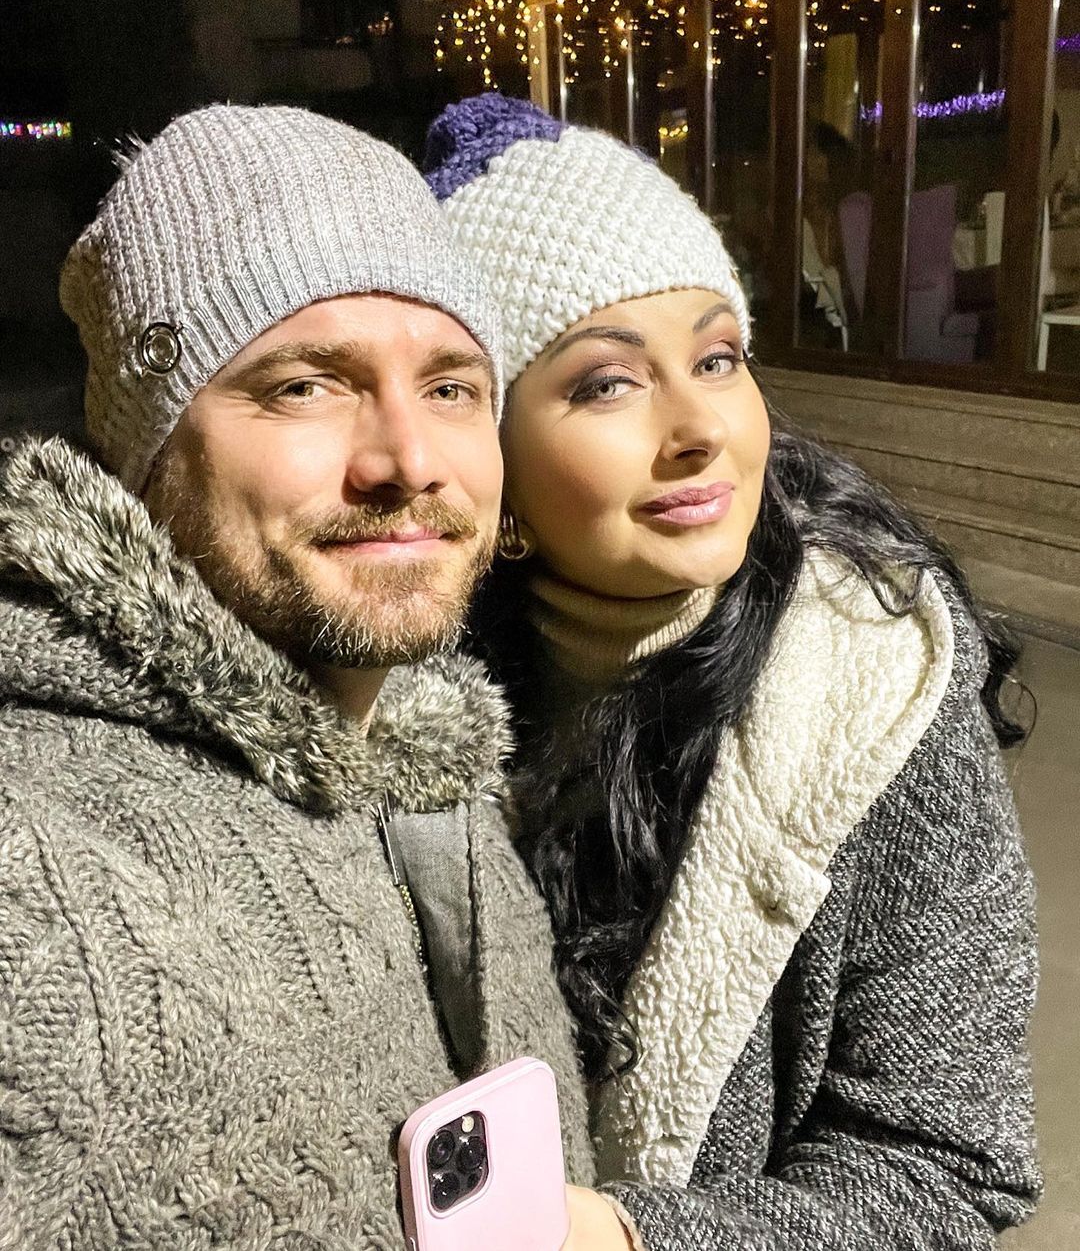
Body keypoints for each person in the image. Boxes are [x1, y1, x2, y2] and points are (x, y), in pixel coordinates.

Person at [424, 92, 1043, 1249]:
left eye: (717, 358)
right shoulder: (404, 689)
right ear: (488, 454)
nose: (700, 428)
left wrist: (624, 1239)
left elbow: (948, 1164)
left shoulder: (874, 693)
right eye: (607, 383)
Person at [0, 103, 595, 1247]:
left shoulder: (430, 754)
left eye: (451, 387)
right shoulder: (37, 873)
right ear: (143, 453)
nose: (408, 460)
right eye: (303, 387)